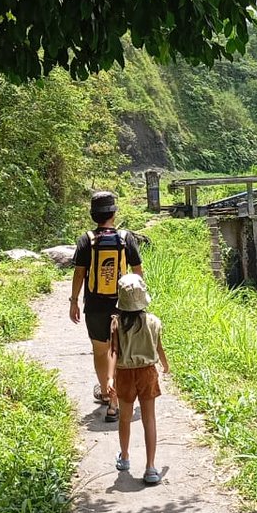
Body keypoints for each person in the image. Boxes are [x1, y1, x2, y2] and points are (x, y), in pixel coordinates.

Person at [69, 190, 142, 422]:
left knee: (101, 351)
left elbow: (79, 274)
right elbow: (138, 272)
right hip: (123, 305)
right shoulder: (125, 238)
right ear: (114, 212)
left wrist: (73, 302)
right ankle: (115, 401)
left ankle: (106, 391)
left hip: (95, 306)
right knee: (118, 351)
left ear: (93, 215)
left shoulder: (86, 239)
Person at [107, 273, 168, 485]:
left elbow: (113, 352)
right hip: (147, 372)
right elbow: (158, 347)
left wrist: (109, 378)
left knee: (125, 417)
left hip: (124, 374)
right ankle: (151, 467)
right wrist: (165, 364)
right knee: (148, 418)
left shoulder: (117, 323)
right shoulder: (153, 322)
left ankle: (124, 457)